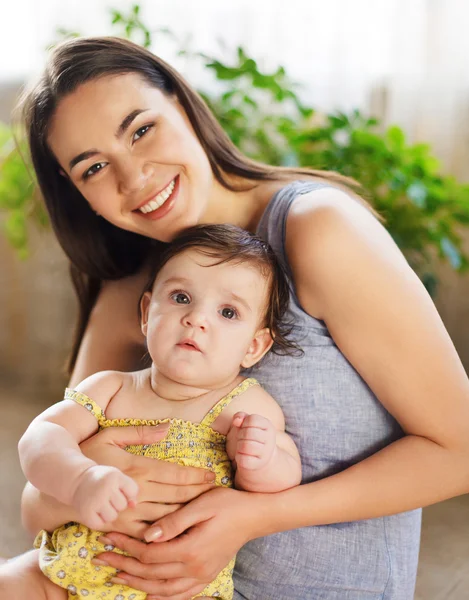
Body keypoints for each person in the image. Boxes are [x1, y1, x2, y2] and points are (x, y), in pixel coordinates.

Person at [3, 34, 469, 600]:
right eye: (94, 167)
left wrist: (253, 516)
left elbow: (460, 449)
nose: (135, 178)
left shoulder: (314, 230)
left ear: (184, 104)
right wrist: (83, 485)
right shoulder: (131, 295)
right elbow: (37, 504)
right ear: (80, 196)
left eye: (142, 129)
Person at [15, 224, 302, 600]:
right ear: (147, 313)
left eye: (228, 312)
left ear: (254, 346)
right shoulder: (111, 388)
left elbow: (285, 477)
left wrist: (260, 460)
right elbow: (40, 436)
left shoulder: (245, 406)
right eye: (181, 297)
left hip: (172, 588)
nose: (197, 318)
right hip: (64, 574)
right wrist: (80, 479)